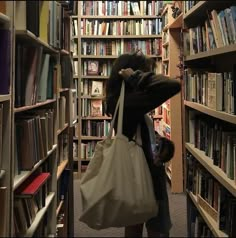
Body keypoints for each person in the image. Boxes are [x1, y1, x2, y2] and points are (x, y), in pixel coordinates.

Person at [105, 51, 181, 237]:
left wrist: (159, 142)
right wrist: (136, 77)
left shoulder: (119, 100)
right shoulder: (129, 102)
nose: (149, 76)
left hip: (133, 172)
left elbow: (138, 132)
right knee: (157, 228)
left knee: (134, 225)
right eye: (146, 72)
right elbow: (172, 85)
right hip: (146, 174)